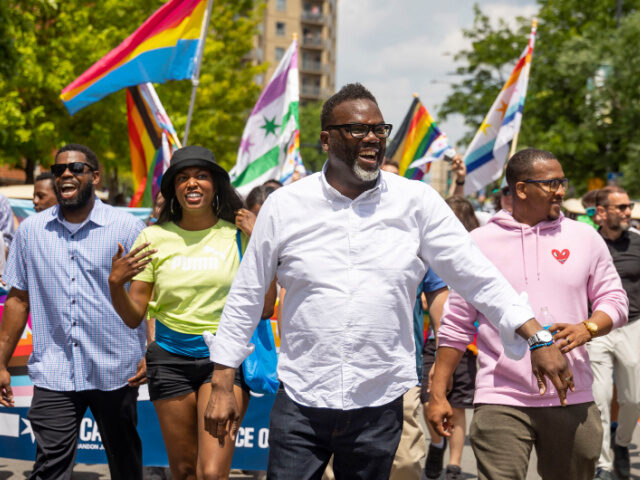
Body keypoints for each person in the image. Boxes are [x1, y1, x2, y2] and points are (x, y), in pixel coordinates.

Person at [202, 84, 577, 479]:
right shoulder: (285, 205)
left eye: (380, 130)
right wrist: (223, 382)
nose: (373, 139)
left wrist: (537, 335)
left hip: (378, 401)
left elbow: (477, 274)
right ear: (327, 139)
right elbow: (245, 296)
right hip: (301, 400)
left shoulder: (417, 201)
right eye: (358, 130)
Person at [428, 148, 629, 480]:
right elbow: (456, 324)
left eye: (562, 182)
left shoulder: (585, 237)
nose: (561, 191)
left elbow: (615, 300)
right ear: (521, 189)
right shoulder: (479, 242)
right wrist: (438, 393)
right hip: (500, 396)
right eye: (551, 183)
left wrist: (587, 328)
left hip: (571, 393)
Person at [108, 145, 272, 480]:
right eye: (183, 177)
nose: (192, 183)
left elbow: (266, 308)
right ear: (173, 190)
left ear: (215, 185)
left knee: (211, 473)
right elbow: (133, 316)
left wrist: (261, 247)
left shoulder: (239, 235)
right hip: (169, 361)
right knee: (183, 471)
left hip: (223, 362)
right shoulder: (152, 237)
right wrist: (114, 285)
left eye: (201, 176)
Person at [0, 143, 146, 480]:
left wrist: (148, 350)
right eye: (59, 170)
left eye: (76, 168)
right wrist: (2, 362)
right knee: (50, 466)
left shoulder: (128, 229)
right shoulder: (31, 232)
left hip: (116, 370)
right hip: (55, 370)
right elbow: (19, 300)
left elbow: (149, 298)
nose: (66, 173)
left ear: (94, 176)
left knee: (125, 463)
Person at [422, 196, 479, 480]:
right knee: (427, 398)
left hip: (466, 343)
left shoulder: (476, 255)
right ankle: (436, 444)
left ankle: (454, 464)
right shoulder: (428, 252)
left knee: (456, 405)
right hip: (432, 340)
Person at [590, 186, 640, 480]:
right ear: (601, 212)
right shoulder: (588, 243)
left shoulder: (637, 241)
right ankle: (604, 464)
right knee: (600, 396)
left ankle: (621, 442)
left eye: (628, 206)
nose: (627, 212)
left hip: (632, 324)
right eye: (620, 207)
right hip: (595, 328)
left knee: (633, 398)